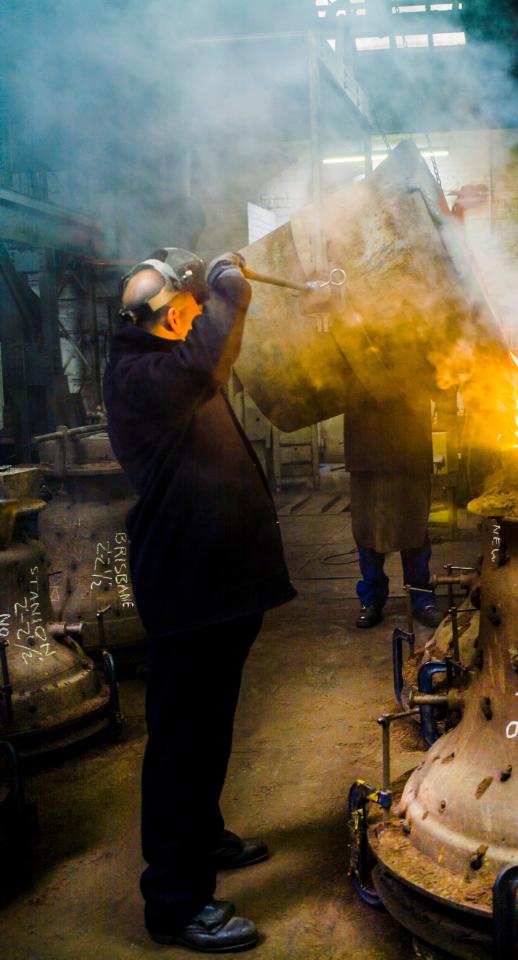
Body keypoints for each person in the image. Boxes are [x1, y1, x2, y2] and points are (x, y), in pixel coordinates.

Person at [104, 247, 296, 952]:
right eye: (184, 309)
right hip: (185, 584)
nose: (194, 317)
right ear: (160, 320)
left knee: (209, 724)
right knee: (182, 741)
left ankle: (203, 838)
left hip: (220, 581)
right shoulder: (142, 376)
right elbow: (206, 354)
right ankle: (175, 902)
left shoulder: (170, 355)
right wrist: (228, 288)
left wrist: (197, 273)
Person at [344, 393, 443, 629]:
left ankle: (420, 598)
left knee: (414, 525)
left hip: (410, 442)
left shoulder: (412, 355)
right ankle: (372, 599)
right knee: (368, 527)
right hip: (365, 444)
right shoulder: (354, 356)